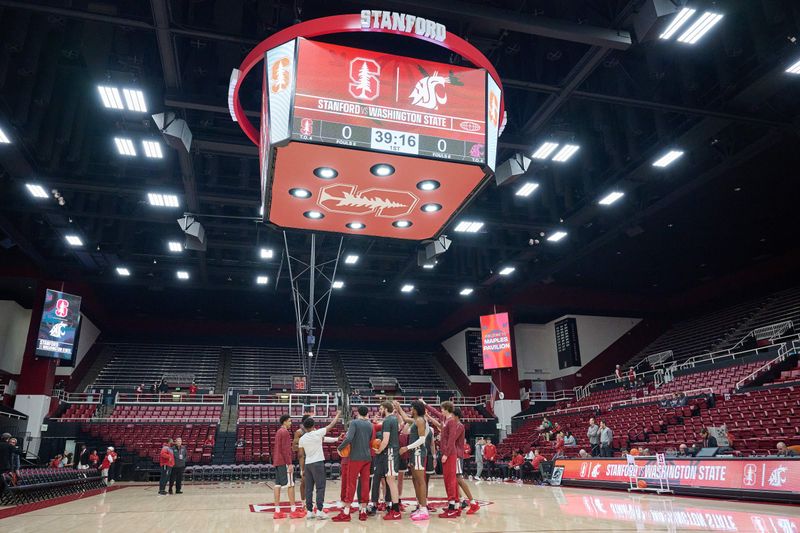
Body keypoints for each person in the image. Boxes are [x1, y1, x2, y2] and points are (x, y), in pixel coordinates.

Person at [333, 405, 374, 522]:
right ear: (367, 413)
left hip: (355, 457)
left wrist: (340, 448)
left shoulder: (354, 423)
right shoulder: (370, 425)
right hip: (367, 457)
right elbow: (370, 440)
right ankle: (363, 512)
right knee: (365, 484)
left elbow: (349, 438)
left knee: (351, 484)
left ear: (357, 413)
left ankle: (346, 512)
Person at [298, 411, 341, 519]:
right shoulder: (318, 433)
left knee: (309, 489)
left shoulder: (302, 439)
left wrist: (302, 469)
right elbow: (332, 425)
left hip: (308, 465)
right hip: (318, 464)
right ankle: (320, 511)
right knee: (320, 488)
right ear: (313, 426)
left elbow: (300, 455)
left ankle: (309, 511)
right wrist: (338, 415)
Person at [392, 400, 431, 521]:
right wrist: (399, 408)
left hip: (419, 453)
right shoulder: (416, 420)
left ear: (416, 409)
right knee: (415, 480)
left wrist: (406, 448)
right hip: (414, 454)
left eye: (412, 408)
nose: (411, 410)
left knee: (420, 481)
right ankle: (420, 506)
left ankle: (424, 509)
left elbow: (422, 440)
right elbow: (404, 418)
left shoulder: (420, 420)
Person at [369, 401, 402, 520]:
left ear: (386, 409)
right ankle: (394, 508)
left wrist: (379, 450)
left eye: (381, 408)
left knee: (391, 481)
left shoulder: (388, 420)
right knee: (390, 481)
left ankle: (396, 510)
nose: (380, 410)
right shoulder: (393, 419)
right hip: (392, 452)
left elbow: (386, 439)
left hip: (390, 453)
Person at [273, 415, 305, 519]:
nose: (291, 423)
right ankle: (293, 510)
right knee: (291, 484)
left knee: (277, 485)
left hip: (277, 461)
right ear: (285, 422)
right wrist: (289, 463)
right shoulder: (285, 432)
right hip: (284, 462)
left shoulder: (278, 432)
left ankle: (277, 511)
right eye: (290, 421)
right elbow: (285, 450)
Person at [452, 408, 480, 514]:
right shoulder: (455, 425)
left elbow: (452, 439)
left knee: (458, 479)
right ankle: (461, 501)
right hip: (454, 455)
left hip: (458, 455)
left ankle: (472, 502)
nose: (451, 417)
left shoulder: (460, 426)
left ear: (457, 416)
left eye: (452, 415)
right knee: (454, 479)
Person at [293, 410, 315, 509]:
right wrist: (303, 446)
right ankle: (303, 502)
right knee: (304, 481)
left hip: (313, 457)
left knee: (312, 481)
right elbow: (294, 448)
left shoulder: (314, 431)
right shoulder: (298, 432)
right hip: (304, 458)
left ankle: (309, 499)